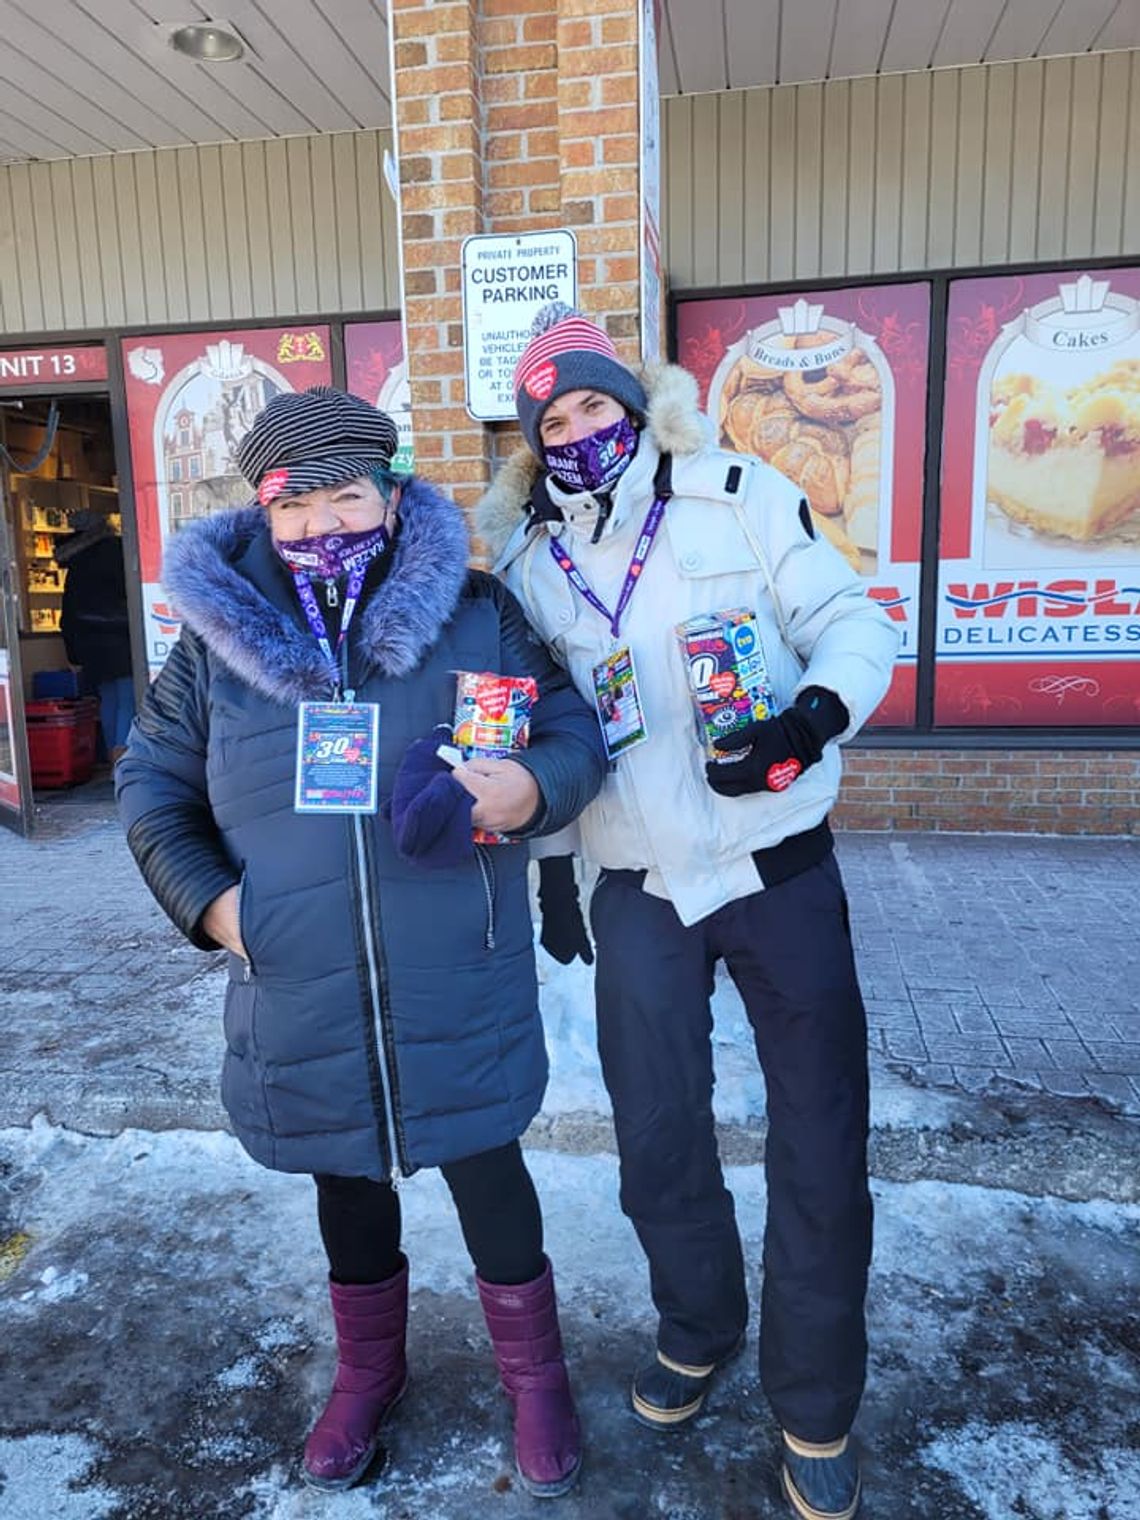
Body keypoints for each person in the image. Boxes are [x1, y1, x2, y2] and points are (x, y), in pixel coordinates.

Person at [116, 386, 607, 1497]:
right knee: (344, 1175)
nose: (323, 524)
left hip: (459, 964)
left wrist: (531, 783)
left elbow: (575, 729)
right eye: (296, 503)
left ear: (389, 497)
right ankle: (367, 1373)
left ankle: (537, 1377)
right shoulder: (211, 645)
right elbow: (148, 781)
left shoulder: (477, 611)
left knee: (490, 1168)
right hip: (297, 972)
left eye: (349, 495)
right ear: (262, 511)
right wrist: (214, 907)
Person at [477, 306, 900, 1520]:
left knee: (819, 1140)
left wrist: (806, 722)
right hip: (641, 887)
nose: (576, 430)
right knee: (657, 1132)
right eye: (550, 418)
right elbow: (547, 725)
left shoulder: (735, 493)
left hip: (775, 866)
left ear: (634, 403)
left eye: (594, 405)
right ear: (530, 441)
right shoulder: (527, 564)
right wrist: (554, 863)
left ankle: (815, 1400)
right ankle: (697, 1322)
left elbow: (853, 623)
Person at [57, 507, 135, 764]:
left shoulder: (76, 563)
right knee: (129, 698)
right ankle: (124, 760)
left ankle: (115, 759)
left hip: (90, 644)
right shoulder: (115, 551)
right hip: (119, 636)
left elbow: (68, 611)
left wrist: (73, 652)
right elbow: (131, 589)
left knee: (109, 699)